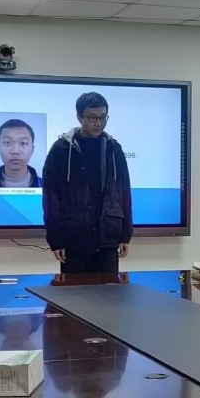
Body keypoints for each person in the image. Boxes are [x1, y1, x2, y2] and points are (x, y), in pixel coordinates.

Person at [42, 92, 132, 275]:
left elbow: (124, 193)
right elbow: (50, 197)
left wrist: (125, 234)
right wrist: (55, 239)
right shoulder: (61, 149)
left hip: (108, 237)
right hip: (74, 237)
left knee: (109, 291)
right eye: (92, 118)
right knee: (74, 292)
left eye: (103, 117)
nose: (99, 123)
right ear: (79, 117)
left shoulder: (114, 149)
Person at [0, 118, 41, 188]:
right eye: (8, 143)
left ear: (32, 149)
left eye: (23, 143)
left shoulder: (48, 186)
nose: (15, 151)